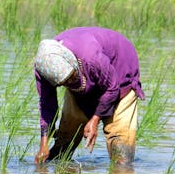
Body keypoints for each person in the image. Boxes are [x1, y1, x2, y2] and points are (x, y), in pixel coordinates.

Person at [34, 27, 145, 165]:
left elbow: (112, 87)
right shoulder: (45, 69)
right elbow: (47, 105)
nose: (70, 83)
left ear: (72, 63)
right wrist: (43, 144)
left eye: (71, 78)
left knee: (121, 152)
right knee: (63, 144)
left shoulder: (91, 57)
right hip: (86, 74)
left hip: (119, 74)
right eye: (64, 83)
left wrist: (95, 120)